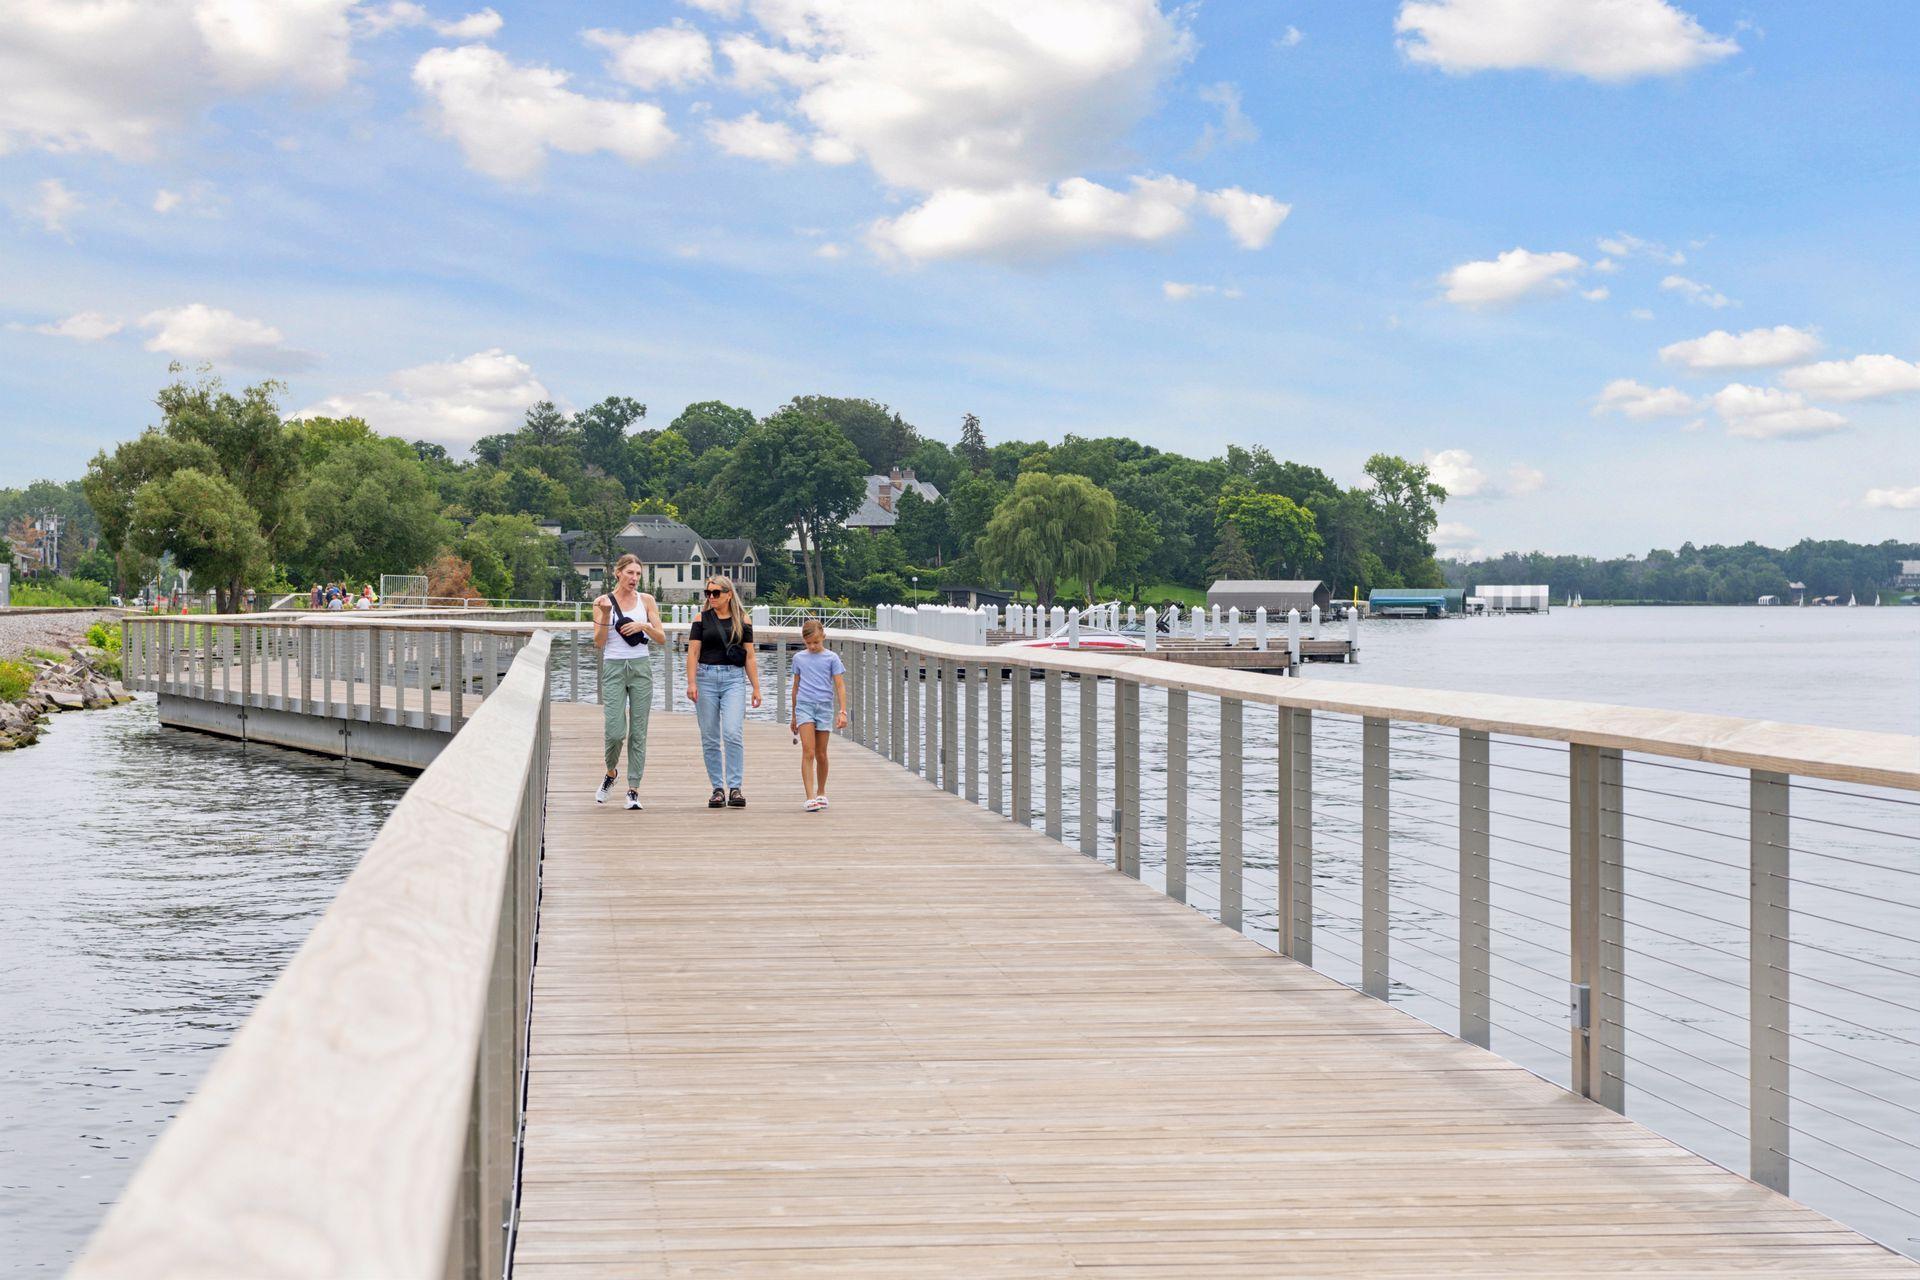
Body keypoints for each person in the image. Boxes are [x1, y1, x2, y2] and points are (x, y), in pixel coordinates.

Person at [592, 554, 663, 809]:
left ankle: (633, 790)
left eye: (638, 574)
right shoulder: (602, 601)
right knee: (615, 731)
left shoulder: (647, 600)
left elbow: (662, 637)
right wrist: (605, 614)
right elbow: (599, 642)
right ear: (618, 573)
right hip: (613, 668)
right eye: (630, 573)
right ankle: (611, 773)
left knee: (638, 732)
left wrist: (642, 626)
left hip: (641, 668)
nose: (634, 578)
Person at [685, 574, 759, 808]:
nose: (711, 597)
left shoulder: (742, 619)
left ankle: (735, 787)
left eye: (716, 593)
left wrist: (756, 687)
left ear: (728, 594)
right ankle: (717, 788)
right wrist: (691, 682)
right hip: (706, 677)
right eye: (708, 593)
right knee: (709, 736)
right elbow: (693, 653)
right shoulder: (701, 618)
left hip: (733, 679)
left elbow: (750, 655)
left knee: (732, 733)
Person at [788, 618, 848, 812]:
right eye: (808, 643)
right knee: (809, 751)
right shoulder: (799, 658)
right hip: (804, 705)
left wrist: (842, 711)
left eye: (816, 642)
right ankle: (810, 796)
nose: (812, 646)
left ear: (823, 637)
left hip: (824, 707)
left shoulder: (832, 658)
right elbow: (795, 687)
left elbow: (839, 685)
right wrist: (794, 715)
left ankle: (821, 792)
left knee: (821, 754)